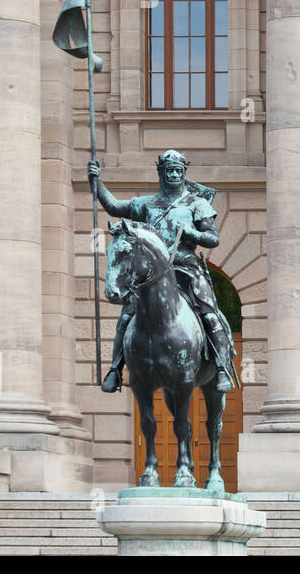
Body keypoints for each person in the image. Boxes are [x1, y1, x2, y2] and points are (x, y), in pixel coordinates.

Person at [88, 150, 235, 394]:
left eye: (179, 170)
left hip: (185, 269)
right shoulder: (145, 203)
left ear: (184, 172)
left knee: (210, 312)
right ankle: (115, 368)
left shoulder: (196, 204)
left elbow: (212, 239)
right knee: (127, 315)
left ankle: (221, 368)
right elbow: (114, 207)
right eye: (169, 170)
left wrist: (191, 233)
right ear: (161, 173)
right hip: (151, 274)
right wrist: (97, 182)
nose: (175, 174)